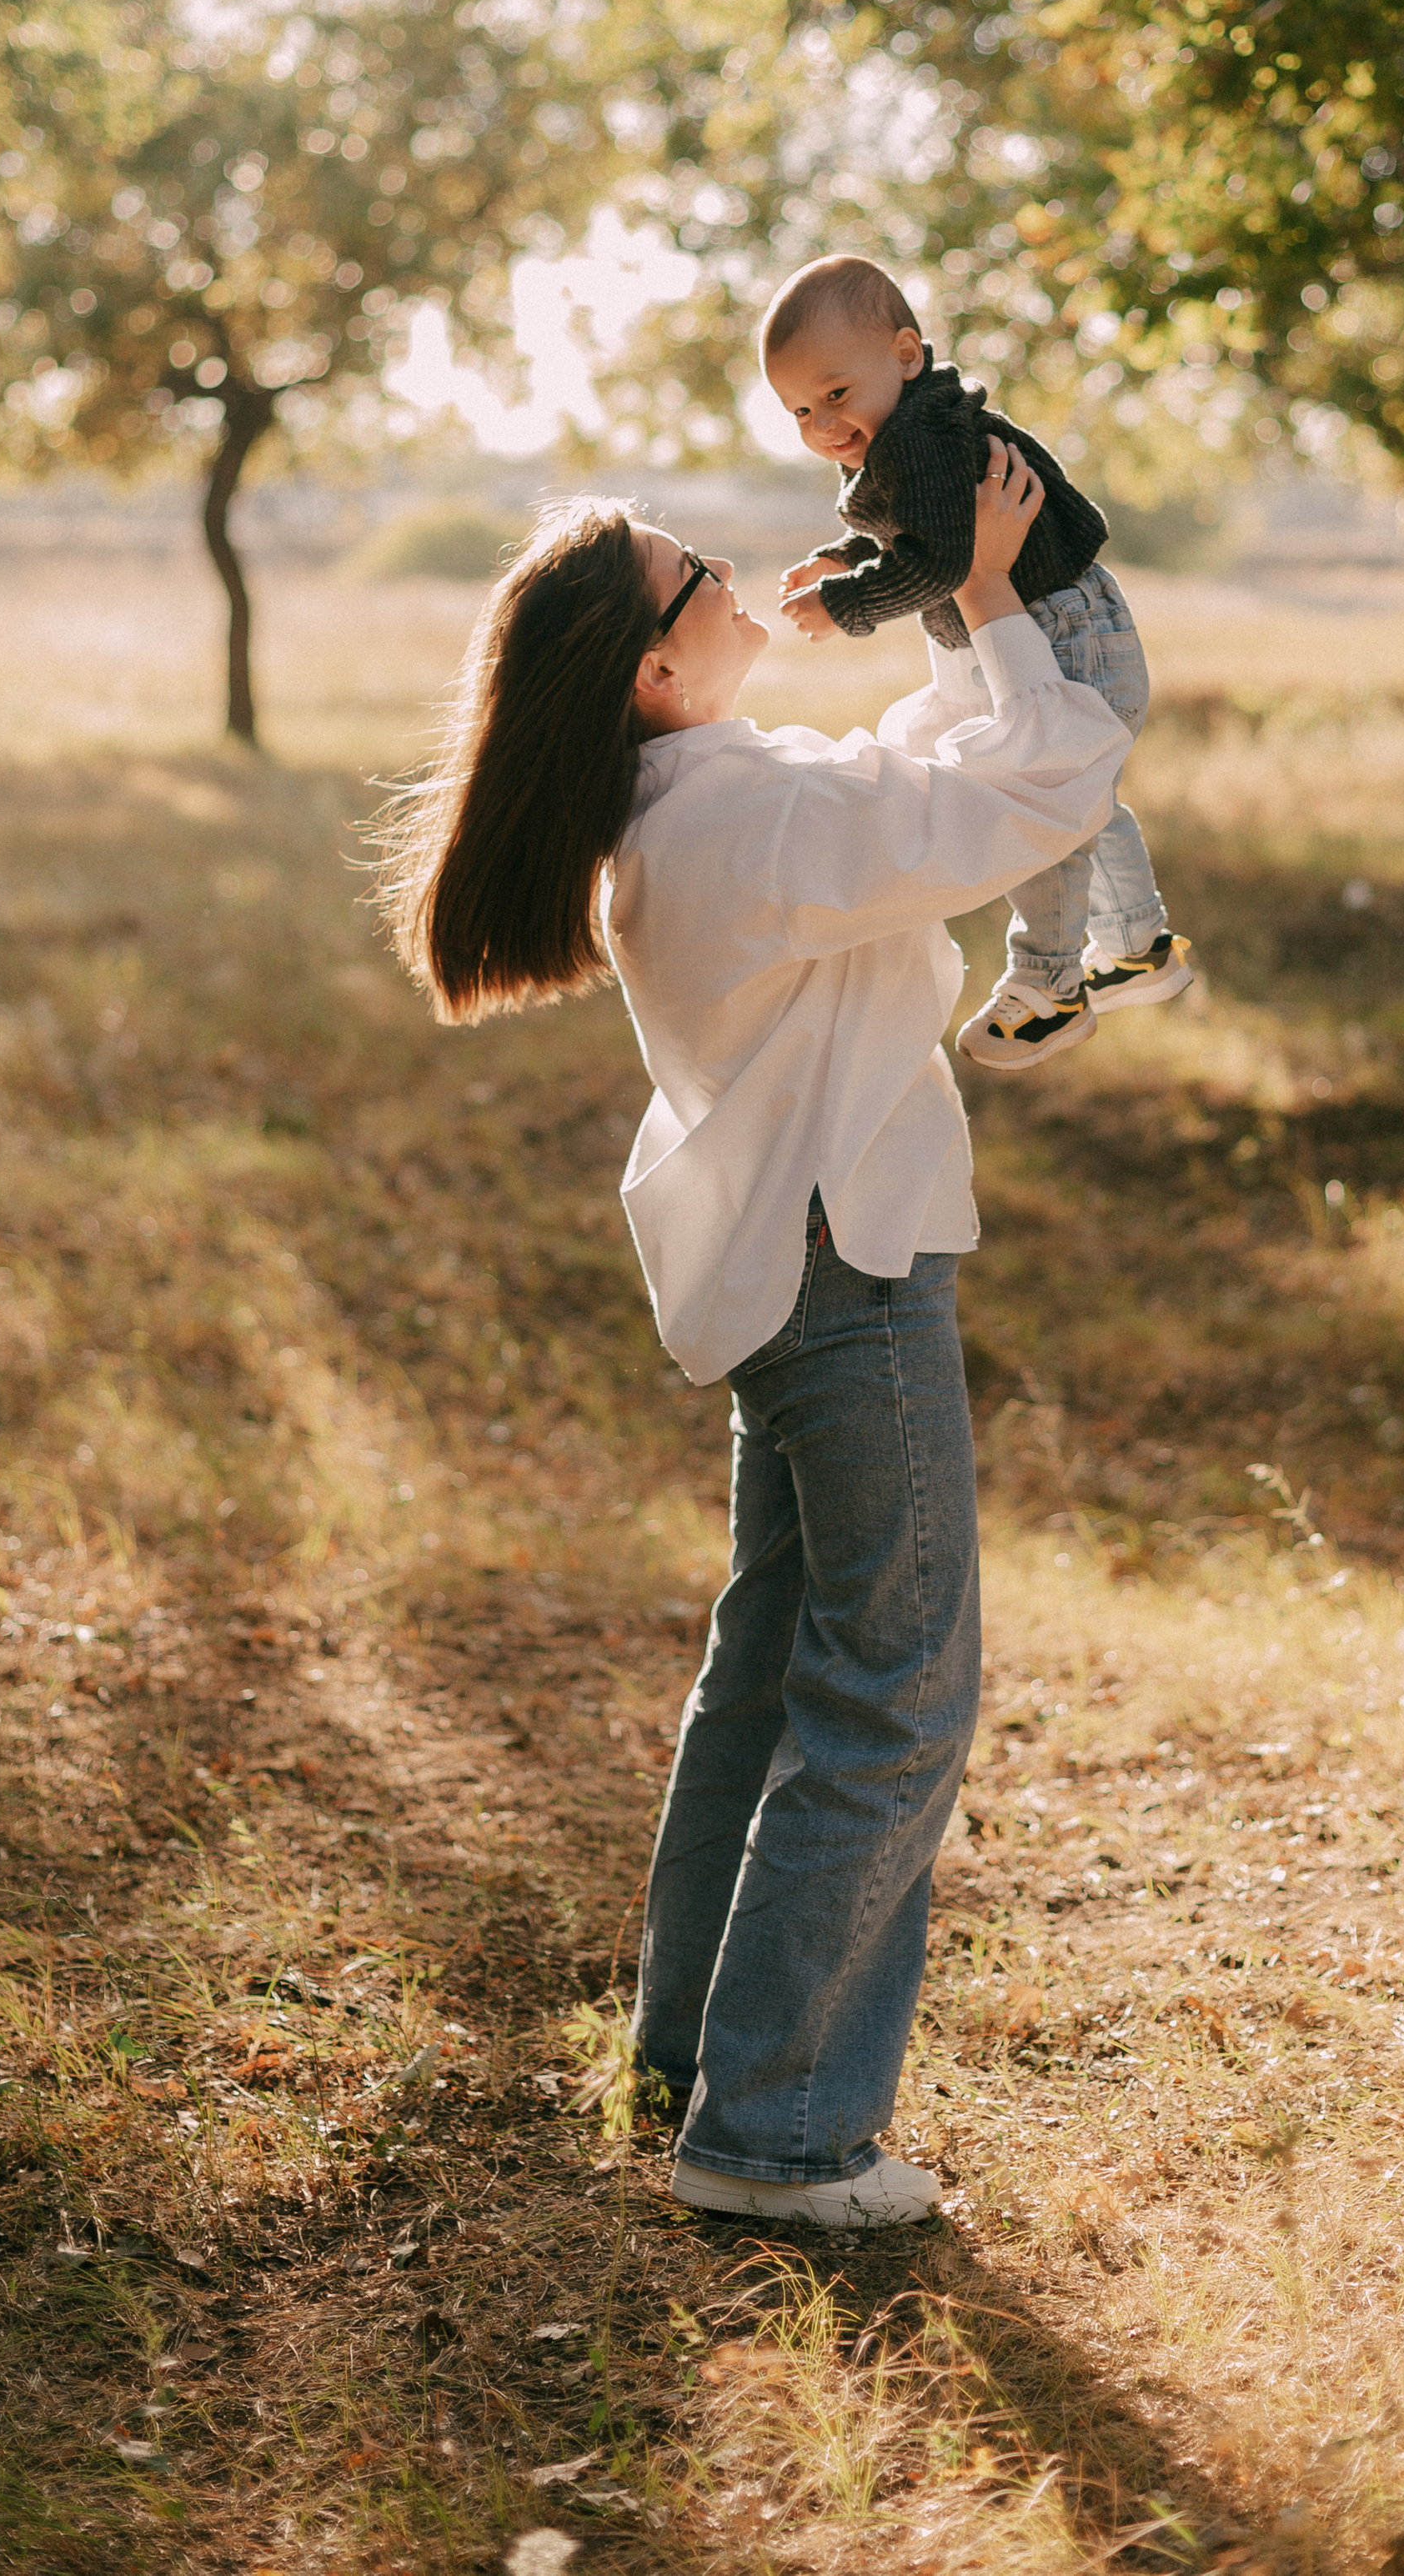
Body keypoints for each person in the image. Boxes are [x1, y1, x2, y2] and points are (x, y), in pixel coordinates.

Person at [375, 445, 1130, 2229]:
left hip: (793, 1285)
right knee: (894, 1692)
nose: (735, 578)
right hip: (846, 1283)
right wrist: (1009, 596)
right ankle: (776, 2133)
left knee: (770, 1674)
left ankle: (690, 2061)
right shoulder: (733, 822)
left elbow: (912, 773)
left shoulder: (706, 795)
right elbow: (1042, 787)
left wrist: (945, 599)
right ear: (653, 668)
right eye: (693, 574)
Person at [763, 250, 1194, 1072]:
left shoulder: (917, 439)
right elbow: (918, 527)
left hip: (1058, 631)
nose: (821, 423)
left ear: (905, 355)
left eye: (835, 394)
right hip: (1072, 624)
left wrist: (845, 603)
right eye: (798, 411)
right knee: (1077, 794)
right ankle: (1138, 943)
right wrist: (840, 556)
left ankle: (1050, 988)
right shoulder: (918, 428)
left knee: (1036, 803)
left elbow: (936, 564)